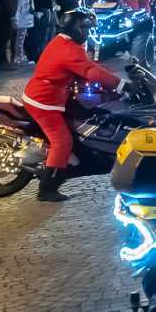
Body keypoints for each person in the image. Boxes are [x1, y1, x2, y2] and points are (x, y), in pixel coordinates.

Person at [21, 10, 123, 201]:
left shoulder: (64, 43)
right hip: (44, 101)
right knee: (62, 141)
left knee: (87, 114)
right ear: (73, 28)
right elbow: (91, 71)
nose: (86, 32)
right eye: (84, 28)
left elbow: (89, 67)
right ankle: (47, 188)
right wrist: (120, 84)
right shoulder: (69, 49)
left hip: (52, 94)